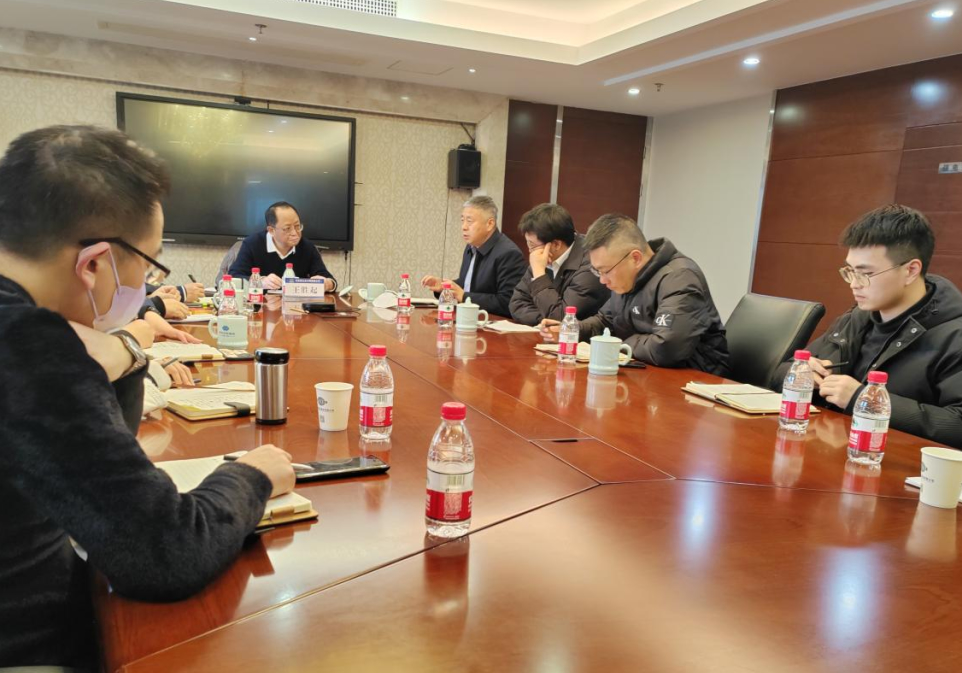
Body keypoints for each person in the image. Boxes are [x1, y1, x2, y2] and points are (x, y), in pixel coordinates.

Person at [0, 125, 296, 670]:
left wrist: (116, 351)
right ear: (94, 264)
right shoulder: (26, 345)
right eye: (149, 262)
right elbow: (165, 552)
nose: (146, 284)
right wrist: (250, 476)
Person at [772, 205, 962, 448]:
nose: (854, 284)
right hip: (831, 449)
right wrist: (800, 374)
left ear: (910, 271)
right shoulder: (857, 317)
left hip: (894, 462)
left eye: (866, 273)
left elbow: (956, 424)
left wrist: (864, 401)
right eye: (850, 271)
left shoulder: (953, 335)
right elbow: (779, 374)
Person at [541, 213, 729, 375]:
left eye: (606, 271)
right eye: (598, 271)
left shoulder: (679, 278)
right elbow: (606, 321)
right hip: (648, 372)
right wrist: (571, 331)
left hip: (694, 382)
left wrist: (615, 343)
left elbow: (666, 348)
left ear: (635, 258)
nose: (602, 280)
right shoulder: (627, 278)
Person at [421, 195, 525, 316]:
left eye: (469, 221)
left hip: (491, 323)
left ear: (490, 224)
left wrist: (464, 296)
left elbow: (508, 302)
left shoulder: (508, 254)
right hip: (469, 319)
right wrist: (444, 286)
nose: (464, 227)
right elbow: (468, 284)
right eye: (462, 220)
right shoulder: (471, 247)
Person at [508, 203, 609, 325]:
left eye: (532, 245)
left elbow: (562, 318)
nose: (530, 251)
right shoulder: (542, 256)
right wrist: (544, 320)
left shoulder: (591, 266)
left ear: (556, 245)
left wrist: (539, 274)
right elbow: (517, 303)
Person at [229, 201, 337, 292]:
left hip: (296, 307)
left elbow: (329, 279)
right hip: (261, 306)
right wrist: (260, 282)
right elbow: (234, 276)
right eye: (287, 228)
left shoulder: (307, 247)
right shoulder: (252, 244)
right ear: (271, 230)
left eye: (297, 226)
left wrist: (327, 284)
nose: (295, 233)